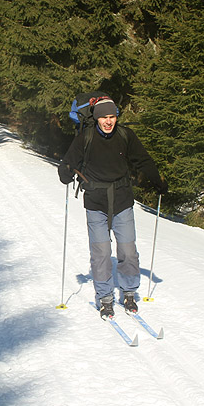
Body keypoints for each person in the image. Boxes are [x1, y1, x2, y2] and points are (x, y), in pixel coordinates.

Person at [57, 96, 166, 320]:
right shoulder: (86, 137)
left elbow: (143, 160)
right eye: (104, 117)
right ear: (97, 118)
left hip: (122, 200)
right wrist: (65, 172)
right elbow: (68, 162)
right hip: (95, 202)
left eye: (112, 116)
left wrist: (158, 182)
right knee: (102, 253)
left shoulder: (126, 135)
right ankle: (105, 297)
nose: (108, 121)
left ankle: (129, 292)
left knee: (128, 251)